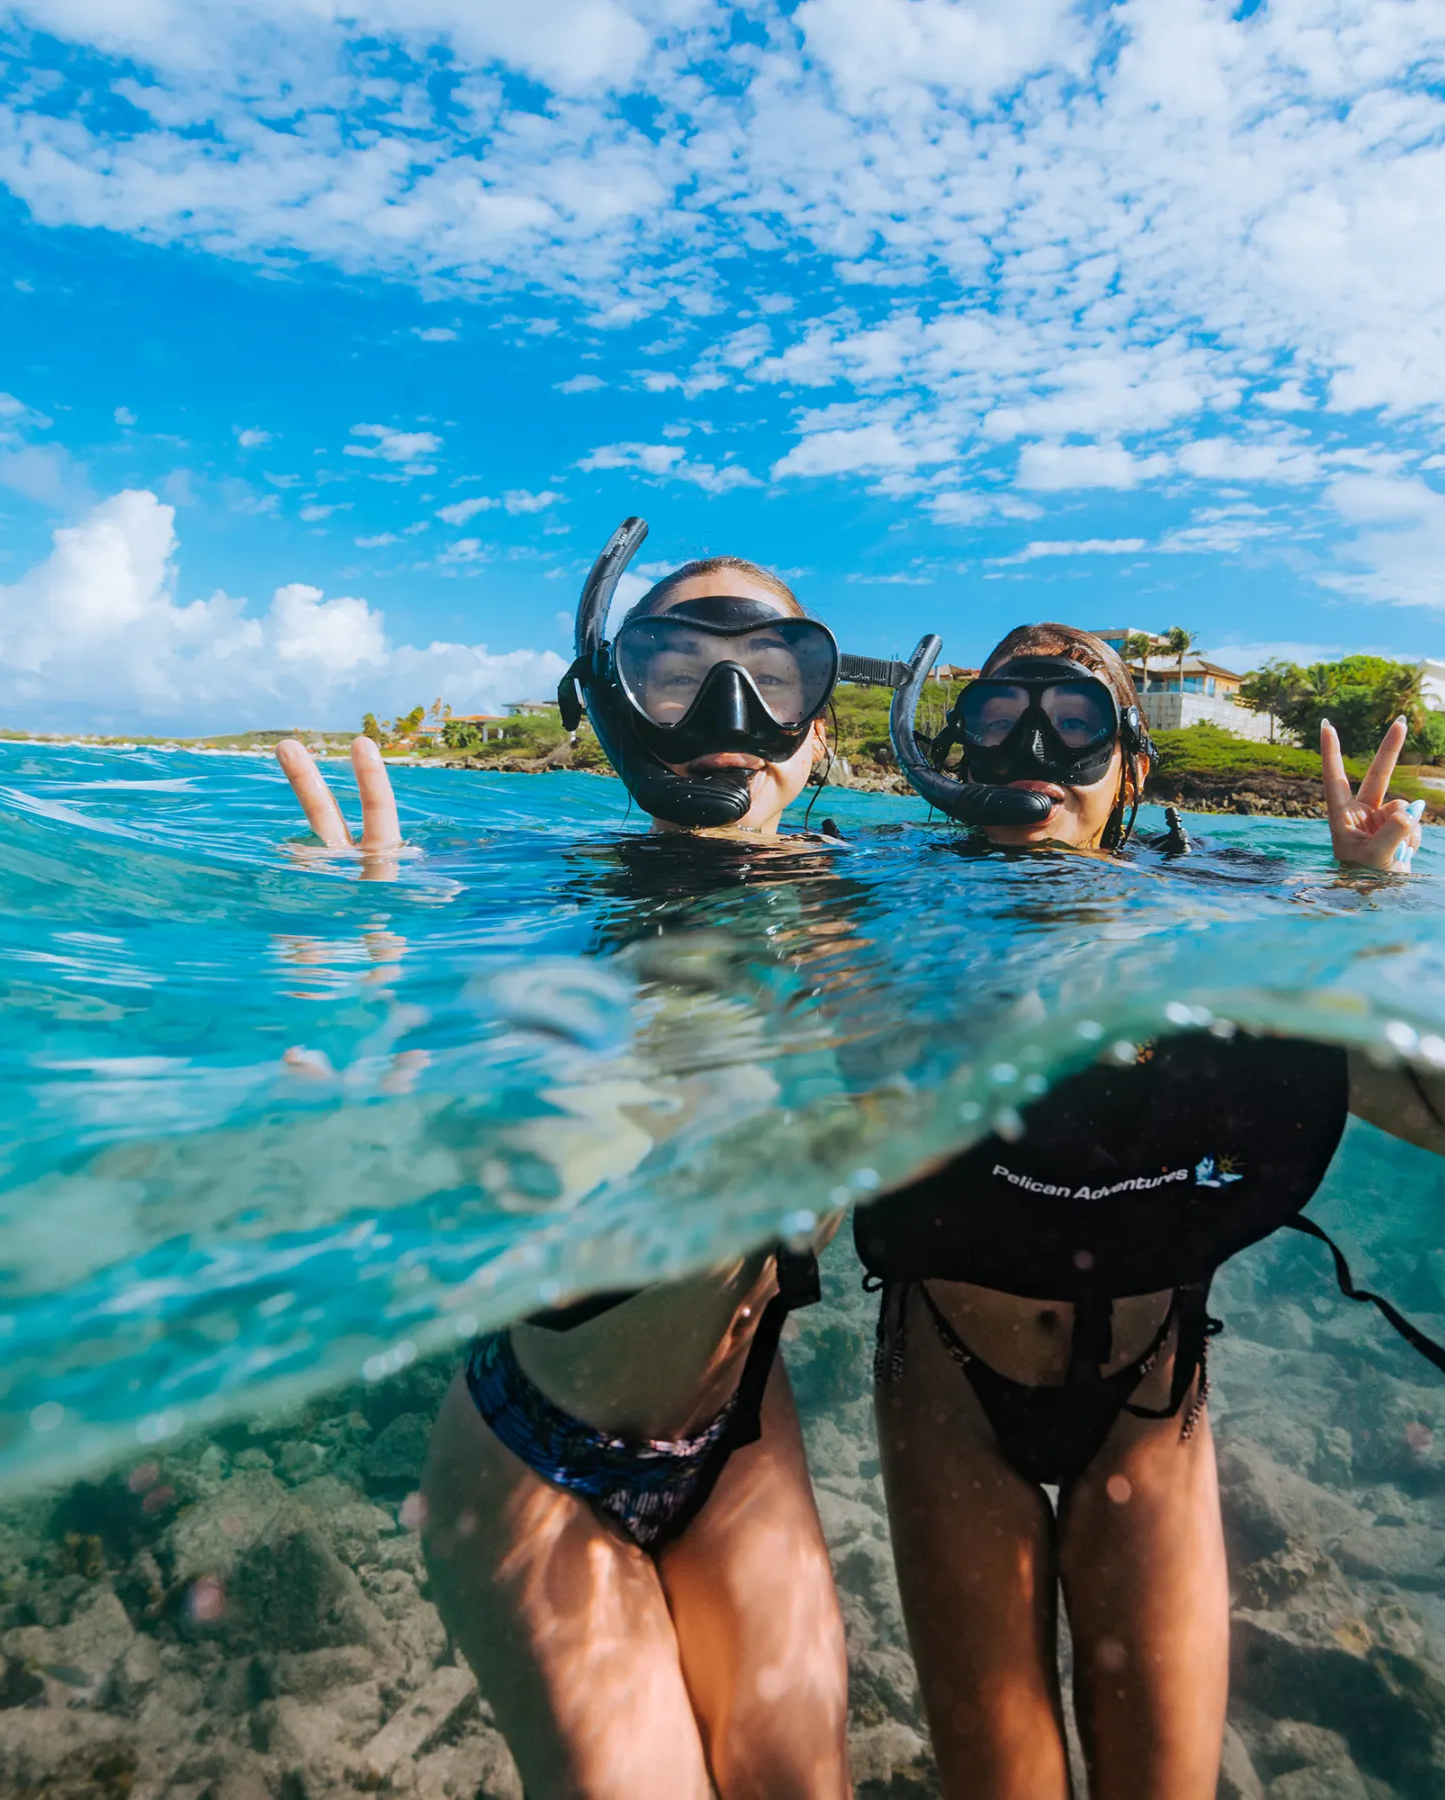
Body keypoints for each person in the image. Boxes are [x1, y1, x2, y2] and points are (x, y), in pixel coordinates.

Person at [858, 621, 1445, 1799]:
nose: (1036, 750)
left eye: (1079, 722)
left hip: (1149, 1398)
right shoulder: (882, 918)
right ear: (953, 758)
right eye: (1000, 719)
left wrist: (1386, 928)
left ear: (1132, 773)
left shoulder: (1224, 938)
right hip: (950, 1392)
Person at [273, 519, 854, 1799]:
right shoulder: (526, 902)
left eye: (776, 670)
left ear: (819, 733)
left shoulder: (872, 919)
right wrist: (378, 995)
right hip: (540, 1459)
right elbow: (436, 1090)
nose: (727, 706)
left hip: (744, 1436)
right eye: (673, 666)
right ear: (612, 710)